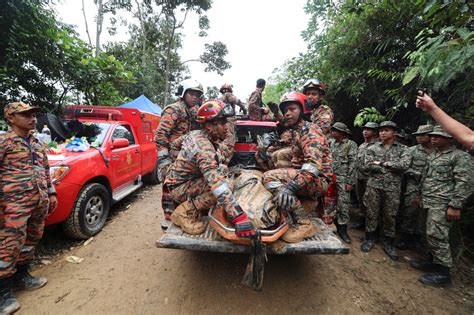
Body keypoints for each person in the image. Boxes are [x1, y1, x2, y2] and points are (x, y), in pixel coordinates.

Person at [164, 100, 255, 237]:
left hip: (178, 181)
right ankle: (184, 212)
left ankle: (192, 205)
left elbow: (175, 145)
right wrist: (239, 217)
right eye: (222, 123)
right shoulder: (205, 149)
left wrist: (181, 165)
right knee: (226, 185)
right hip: (179, 188)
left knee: (222, 169)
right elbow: (217, 186)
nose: (226, 127)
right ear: (208, 126)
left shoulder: (194, 134)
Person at [0, 102, 58, 314]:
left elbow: (45, 169)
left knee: (30, 240)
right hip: (12, 206)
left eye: (34, 114)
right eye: (26, 115)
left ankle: (22, 277)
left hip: (38, 202)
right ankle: (3, 293)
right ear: (11, 118)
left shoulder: (36, 142)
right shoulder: (4, 142)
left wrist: (51, 193)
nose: (33, 118)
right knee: (8, 246)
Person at [262, 92, 332, 243]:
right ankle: (296, 204)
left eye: (292, 109)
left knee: (268, 177)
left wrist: (291, 187)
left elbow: (313, 166)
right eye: (285, 110)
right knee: (278, 159)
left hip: (318, 180)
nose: (287, 113)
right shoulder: (297, 130)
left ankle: (304, 222)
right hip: (307, 176)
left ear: (302, 110)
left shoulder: (309, 131)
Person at [410, 126, 473, 287]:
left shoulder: (460, 157)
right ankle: (432, 262)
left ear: (450, 138)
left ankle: (444, 274)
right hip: (427, 200)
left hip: (443, 203)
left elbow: (465, 182)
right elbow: (425, 177)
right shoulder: (433, 155)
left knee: (437, 235)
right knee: (428, 233)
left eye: (438, 136)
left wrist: (456, 205)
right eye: (432, 135)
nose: (433, 138)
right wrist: (418, 195)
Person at [360, 121, 410, 261]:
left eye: (386, 130)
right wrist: (391, 167)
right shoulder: (373, 147)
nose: (382, 133)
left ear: (395, 133)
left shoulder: (404, 149)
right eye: (381, 130)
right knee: (371, 212)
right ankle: (370, 238)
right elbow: (367, 164)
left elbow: (404, 165)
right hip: (374, 185)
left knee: (390, 215)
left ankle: (388, 242)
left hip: (392, 188)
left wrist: (382, 163)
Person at [154, 79, 204, 221]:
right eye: (192, 94)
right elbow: (160, 135)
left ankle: (185, 213)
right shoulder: (174, 109)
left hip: (188, 157)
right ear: (183, 93)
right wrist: (163, 159)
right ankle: (169, 216)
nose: (195, 97)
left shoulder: (194, 110)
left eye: (197, 95)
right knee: (169, 187)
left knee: (188, 187)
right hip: (173, 157)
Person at [396, 124, 433, 250]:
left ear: (430, 136)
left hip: (432, 189)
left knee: (424, 215)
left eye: (422, 135)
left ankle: (417, 238)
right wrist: (415, 174)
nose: (418, 137)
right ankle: (405, 237)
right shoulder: (412, 150)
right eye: (417, 135)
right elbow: (403, 167)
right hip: (413, 186)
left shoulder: (437, 152)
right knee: (409, 211)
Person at [329, 122, 358, 244]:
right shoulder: (332, 143)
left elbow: (353, 163)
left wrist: (350, 181)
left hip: (343, 179)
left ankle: (343, 229)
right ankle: (331, 225)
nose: (332, 132)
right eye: (332, 130)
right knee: (330, 203)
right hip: (331, 178)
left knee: (343, 204)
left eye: (335, 130)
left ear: (342, 133)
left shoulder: (350, 145)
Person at [353, 122, 379, 230]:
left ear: (374, 132)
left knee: (371, 203)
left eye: (368, 129)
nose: (365, 131)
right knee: (361, 200)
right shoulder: (362, 146)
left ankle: (373, 226)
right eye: (364, 129)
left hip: (370, 178)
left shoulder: (377, 146)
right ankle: (362, 220)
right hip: (359, 177)